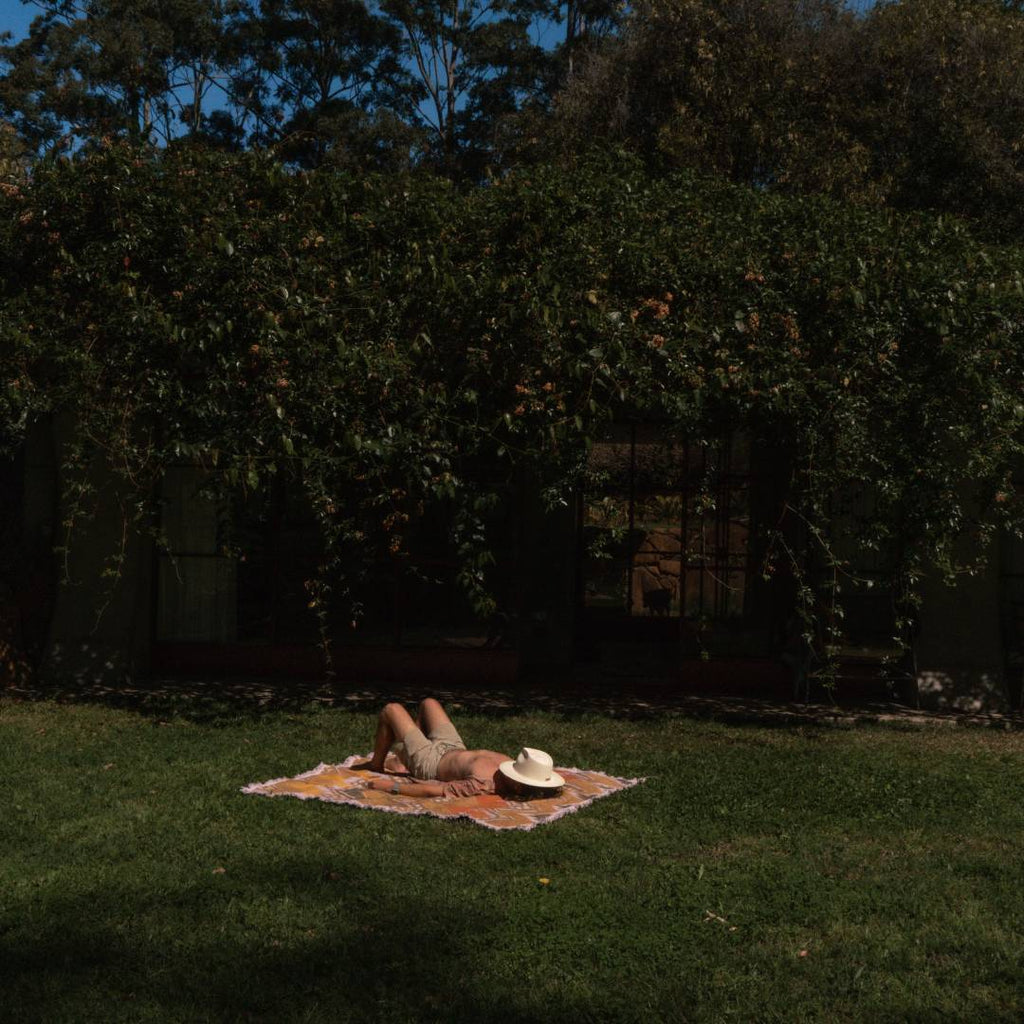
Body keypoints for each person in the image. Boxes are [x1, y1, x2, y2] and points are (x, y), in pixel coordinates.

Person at [353, 698, 564, 800]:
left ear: (518, 787)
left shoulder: (483, 784)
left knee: (391, 710)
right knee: (429, 703)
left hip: (430, 762)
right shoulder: (512, 766)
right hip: (453, 745)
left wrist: (389, 786)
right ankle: (405, 754)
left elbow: (433, 790)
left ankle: (377, 764)